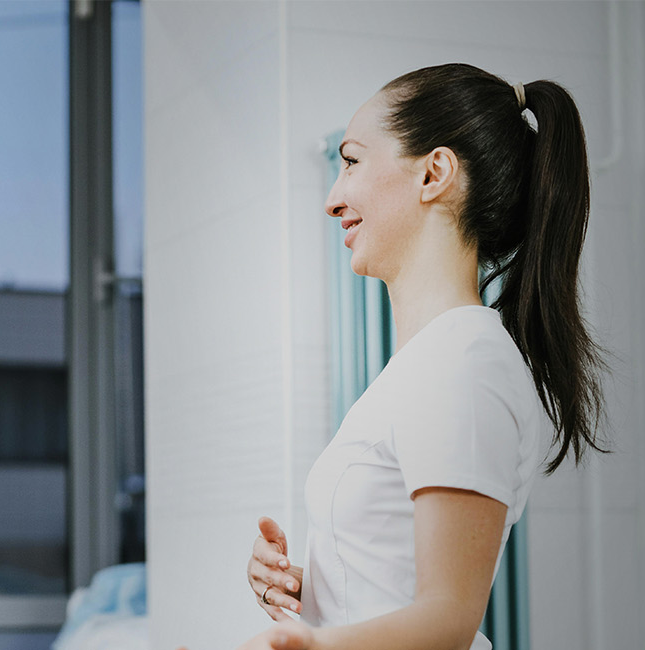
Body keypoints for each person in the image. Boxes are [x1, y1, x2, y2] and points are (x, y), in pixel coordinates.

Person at [234, 63, 606, 650]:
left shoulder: (464, 362)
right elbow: (394, 590)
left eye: (351, 161)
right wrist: (310, 590)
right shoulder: (432, 361)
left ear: (434, 173)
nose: (333, 199)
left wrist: (307, 647)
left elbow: (448, 620)